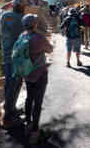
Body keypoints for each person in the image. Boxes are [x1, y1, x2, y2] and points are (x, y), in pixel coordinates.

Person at [20, 14, 53, 144]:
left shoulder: (22, 37)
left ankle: (28, 124)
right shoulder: (39, 37)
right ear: (35, 24)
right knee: (37, 103)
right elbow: (50, 49)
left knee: (29, 98)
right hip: (39, 74)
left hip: (27, 73)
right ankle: (35, 132)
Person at [0, 0, 27, 129]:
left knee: (12, 84)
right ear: (22, 8)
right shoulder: (22, 19)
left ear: (12, 6)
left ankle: (11, 108)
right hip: (18, 58)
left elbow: (0, 9)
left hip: (7, 57)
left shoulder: (5, 16)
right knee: (14, 85)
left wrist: (8, 3)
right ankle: (7, 117)